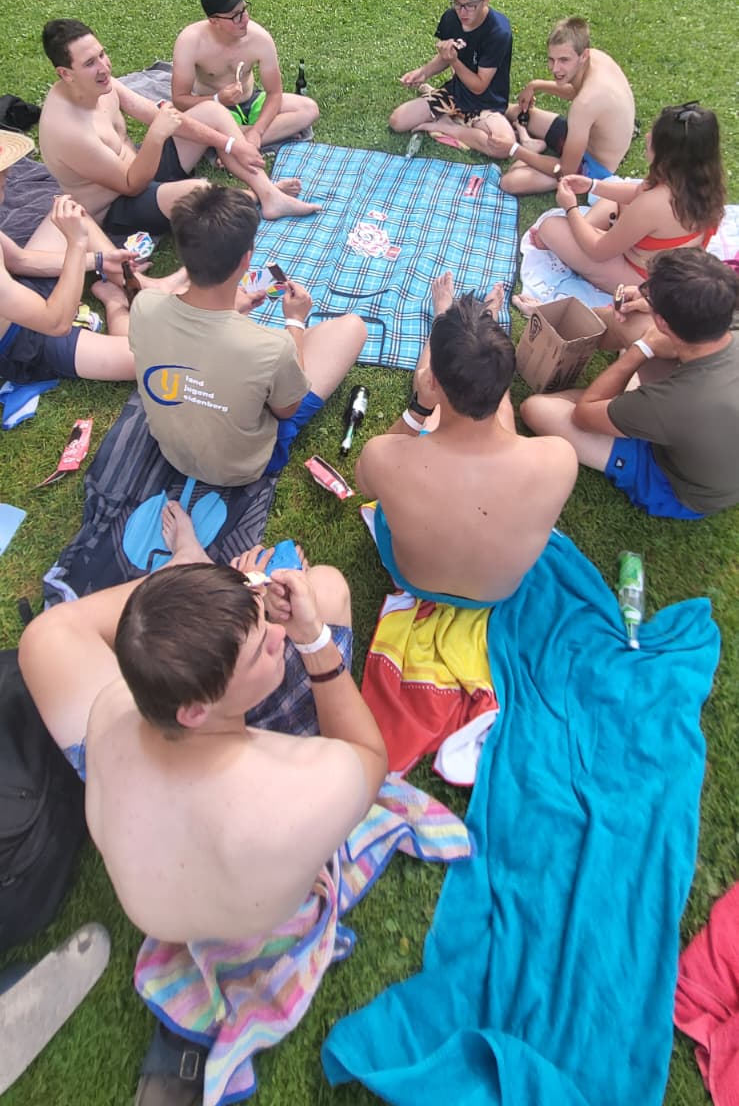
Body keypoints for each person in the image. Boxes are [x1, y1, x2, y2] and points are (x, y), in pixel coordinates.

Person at [17, 508, 386, 947]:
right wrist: (313, 639)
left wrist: (226, 604)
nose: (279, 635)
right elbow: (369, 755)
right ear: (194, 711)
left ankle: (188, 569)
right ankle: (194, 572)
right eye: (260, 649)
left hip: (160, 882)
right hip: (250, 903)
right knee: (327, 586)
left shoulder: (110, 714)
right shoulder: (293, 787)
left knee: (45, 636)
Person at [355, 272, 577, 603]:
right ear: (505, 382)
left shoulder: (384, 457)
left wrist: (419, 408)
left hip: (416, 579)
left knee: (454, 413)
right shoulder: (560, 458)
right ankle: (474, 344)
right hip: (497, 593)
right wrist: (485, 340)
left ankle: (445, 321)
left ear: (431, 381)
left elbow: (365, 485)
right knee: (498, 418)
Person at [129, 183, 367, 486]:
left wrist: (234, 310)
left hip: (173, 451)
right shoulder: (272, 347)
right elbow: (287, 410)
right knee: (352, 327)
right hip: (243, 466)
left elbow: (196, 344)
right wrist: (294, 322)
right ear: (246, 259)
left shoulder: (145, 305)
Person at [38, 19, 320, 232]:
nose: (104, 67)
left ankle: (269, 194)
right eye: (90, 63)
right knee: (197, 192)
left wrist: (231, 144)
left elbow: (153, 113)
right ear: (66, 73)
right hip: (118, 205)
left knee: (211, 111)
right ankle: (256, 196)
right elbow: (131, 185)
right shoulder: (70, 132)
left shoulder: (102, 85)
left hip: (142, 166)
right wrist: (156, 137)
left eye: (102, 54)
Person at [521, 249, 739, 519]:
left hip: (676, 485)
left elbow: (583, 416)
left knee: (538, 409)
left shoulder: (678, 402)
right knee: (634, 318)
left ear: (664, 322)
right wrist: (649, 305)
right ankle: (556, 324)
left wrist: (641, 349)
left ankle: (627, 407)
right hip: (706, 434)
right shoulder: (725, 318)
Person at [0, 129, 186, 384]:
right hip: (21, 341)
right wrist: (77, 244)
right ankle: (115, 302)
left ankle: (139, 284)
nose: (6, 188)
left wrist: (98, 260)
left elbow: (19, 260)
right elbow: (56, 323)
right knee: (148, 359)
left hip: (19, 298)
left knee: (71, 214)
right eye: (2, 182)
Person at [532, 102, 726, 294]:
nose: (647, 137)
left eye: (654, 136)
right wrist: (592, 185)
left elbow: (598, 251)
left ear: (668, 154)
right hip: (661, 261)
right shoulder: (699, 182)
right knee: (612, 199)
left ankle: (577, 241)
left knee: (550, 227)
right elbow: (637, 192)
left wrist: (570, 208)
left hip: (642, 280)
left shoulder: (655, 203)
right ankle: (580, 236)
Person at [172, 0, 319, 149]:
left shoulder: (259, 39)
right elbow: (179, 100)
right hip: (214, 109)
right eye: (236, 16)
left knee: (309, 109)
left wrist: (257, 131)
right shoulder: (190, 42)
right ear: (214, 21)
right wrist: (218, 99)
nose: (245, 19)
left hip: (253, 100)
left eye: (244, 9)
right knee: (186, 124)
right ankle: (267, 134)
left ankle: (234, 141)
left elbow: (274, 93)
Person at [498, 17, 635, 194]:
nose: (555, 69)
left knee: (510, 182)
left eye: (564, 60)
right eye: (551, 59)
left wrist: (514, 149)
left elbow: (566, 171)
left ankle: (529, 146)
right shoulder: (596, 60)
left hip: (594, 166)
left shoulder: (585, 104)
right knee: (517, 111)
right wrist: (535, 85)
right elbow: (574, 90)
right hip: (584, 135)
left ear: (583, 55)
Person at [389, 0, 513, 155]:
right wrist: (424, 72)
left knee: (503, 147)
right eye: (457, 3)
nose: (462, 12)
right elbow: (445, 57)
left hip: (487, 104)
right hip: (455, 94)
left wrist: (454, 61)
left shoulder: (498, 32)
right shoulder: (451, 18)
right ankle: (452, 119)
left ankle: (447, 126)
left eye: (470, 6)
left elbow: (479, 86)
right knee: (397, 121)